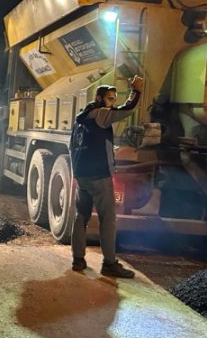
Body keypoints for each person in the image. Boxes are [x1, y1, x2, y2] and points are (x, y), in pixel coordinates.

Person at [70, 75, 144, 278]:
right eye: (110, 98)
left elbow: (72, 146)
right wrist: (136, 91)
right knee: (108, 219)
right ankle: (109, 264)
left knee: (81, 217)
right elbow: (127, 110)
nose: (114, 103)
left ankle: (78, 260)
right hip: (99, 175)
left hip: (82, 175)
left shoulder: (81, 118)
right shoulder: (101, 115)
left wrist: (76, 171)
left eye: (114, 98)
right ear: (100, 98)